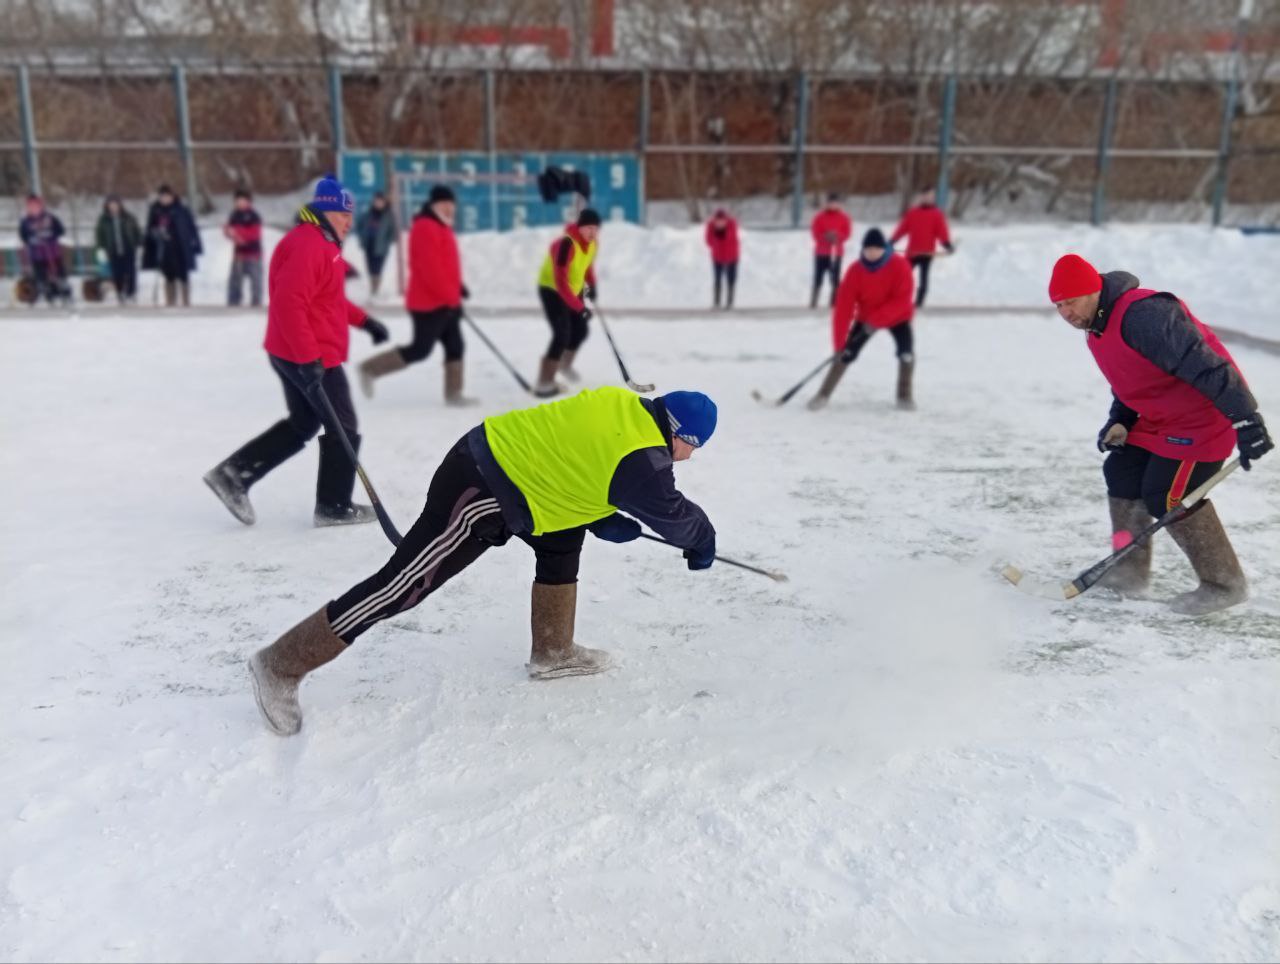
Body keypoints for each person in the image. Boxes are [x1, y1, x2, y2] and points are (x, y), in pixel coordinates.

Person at [247, 386, 719, 735]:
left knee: (561, 542)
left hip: (506, 465)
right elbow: (673, 515)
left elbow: (575, 455)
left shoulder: (625, 405)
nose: (690, 459)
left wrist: (597, 514)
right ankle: (280, 664)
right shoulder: (645, 461)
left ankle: (553, 652)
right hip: (484, 485)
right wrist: (701, 539)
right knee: (402, 585)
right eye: (692, 448)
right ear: (680, 433)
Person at [1048, 254, 1273, 614]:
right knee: (1121, 473)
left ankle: (1224, 583)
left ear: (1093, 290)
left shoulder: (1144, 314)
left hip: (1204, 418)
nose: (1065, 313)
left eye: (1070, 302)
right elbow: (1127, 382)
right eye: (1058, 305)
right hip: (1161, 421)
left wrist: (1246, 419)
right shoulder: (1096, 328)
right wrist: (1119, 420)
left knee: (1169, 494)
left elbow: (1206, 364)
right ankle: (1128, 571)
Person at [202, 175, 392, 528]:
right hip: (309, 355)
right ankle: (334, 506)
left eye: (351, 215)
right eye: (342, 214)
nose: (349, 221)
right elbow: (290, 304)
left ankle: (233, 476)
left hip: (294, 351)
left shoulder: (320, 243)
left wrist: (365, 321)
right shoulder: (311, 246)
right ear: (324, 211)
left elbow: (328, 301)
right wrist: (309, 359)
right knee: (343, 426)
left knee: (304, 422)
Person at [359, 185, 474, 406]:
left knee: (455, 345)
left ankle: (454, 395)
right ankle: (369, 369)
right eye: (444, 205)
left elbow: (445, 265)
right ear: (433, 205)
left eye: (452, 205)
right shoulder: (425, 227)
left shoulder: (442, 227)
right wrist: (452, 299)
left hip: (445, 300)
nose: (449, 209)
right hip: (428, 304)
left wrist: (458, 287)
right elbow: (430, 270)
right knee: (420, 350)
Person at [808, 228, 916, 411]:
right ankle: (823, 395)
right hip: (866, 319)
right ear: (862, 250)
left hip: (898, 317)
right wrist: (839, 345)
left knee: (906, 353)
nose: (872, 253)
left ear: (884, 249)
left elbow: (902, 300)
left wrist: (877, 320)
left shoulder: (900, 266)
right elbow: (843, 309)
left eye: (876, 249)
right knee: (846, 354)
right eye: (868, 249)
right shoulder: (855, 271)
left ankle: (904, 396)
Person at [534, 208, 601, 397]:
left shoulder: (593, 243)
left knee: (581, 330)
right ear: (579, 227)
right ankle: (545, 382)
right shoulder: (565, 245)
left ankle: (564, 365)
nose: (592, 233)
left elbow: (587, 266)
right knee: (561, 334)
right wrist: (580, 308)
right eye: (588, 228)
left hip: (572, 290)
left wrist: (592, 285)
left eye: (596, 229)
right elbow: (560, 281)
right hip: (552, 290)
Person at [890, 187, 953, 307]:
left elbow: (942, 232)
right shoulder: (913, 213)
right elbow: (902, 229)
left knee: (923, 278)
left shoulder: (937, 215)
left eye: (931, 196)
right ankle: (899, 298)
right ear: (921, 197)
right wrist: (892, 241)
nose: (928, 198)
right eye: (926, 195)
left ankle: (919, 302)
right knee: (903, 277)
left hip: (927, 253)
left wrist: (947, 245)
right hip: (912, 252)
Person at [142, 184, 202, 306]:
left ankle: (186, 301)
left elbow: (191, 228)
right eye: (162, 196)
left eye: (167, 196)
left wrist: (196, 243)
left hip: (180, 247)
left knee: (183, 274)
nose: (165, 199)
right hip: (164, 249)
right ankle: (170, 301)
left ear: (172, 196)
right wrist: (156, 234)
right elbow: (150, 229)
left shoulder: (181, 209)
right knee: (169, 275)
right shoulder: (156, 210)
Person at [18, 194, 72, 305]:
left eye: (36, 206)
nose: (34, 209)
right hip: (36, 253)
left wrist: (51, 236)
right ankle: (48, 294)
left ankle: (65, 292)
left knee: (59, 272)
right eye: (31, 207)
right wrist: (31, 240)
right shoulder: (26, 222)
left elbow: (61, 230)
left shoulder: (50, 218)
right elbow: (23, 236)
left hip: (52, 251)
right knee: (41, 275)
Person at [94, 195, 142, 303]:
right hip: (113, 250)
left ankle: (131, 292)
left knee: (131, 272)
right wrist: (101, 249)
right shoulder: (104, 220)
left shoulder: (128, 217)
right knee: (117, 273)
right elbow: (100, 235)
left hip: (128, 248)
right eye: (111, 205)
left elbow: (136, 231)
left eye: (115, 204)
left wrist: (139, 243)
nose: (113, 207)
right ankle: (120, 292)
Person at [809, 193, 852, 308]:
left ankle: (834, 302)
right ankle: (814, 300)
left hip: (836, 252)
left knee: (835, 277)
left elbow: (847, 233)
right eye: (830, 203)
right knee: (818, 276)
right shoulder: (819, 217)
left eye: (835, 203)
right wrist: (825, 237)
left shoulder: (844, 217)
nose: (833, 205)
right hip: (822, 252)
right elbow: (815, 232)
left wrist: (838, 236)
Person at [224, 189, 264, 307]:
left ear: (248, 201)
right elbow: (228, 230)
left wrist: (238, 233)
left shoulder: (253, 215)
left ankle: (256, 303)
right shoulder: (234, 215)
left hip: (253, 254)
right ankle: (233, 303)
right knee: (235, 280)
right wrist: (228, 232)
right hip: (238, 254)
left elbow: (255, 234)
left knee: (256, 281)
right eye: (238, 201)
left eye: (243, 200)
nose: (240, 203)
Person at [355, 192, 396, 297]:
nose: (378, 203)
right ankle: (372, 286)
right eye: (376, 201)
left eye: (380, 201)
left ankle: (375, 288)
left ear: (384, 202)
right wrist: (362, 236)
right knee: (370, 266)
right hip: (369, 244)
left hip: (381, 246)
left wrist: (388, 241)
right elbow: (359, 225)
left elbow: (392, 231)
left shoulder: (388, 215)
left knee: (378, 267)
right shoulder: (368, 214)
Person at [704, 208, 740, 309]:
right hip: (717, 257)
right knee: (717, 279)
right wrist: (715, 236)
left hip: (732, 256)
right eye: (717, 221)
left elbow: (730, 237)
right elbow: (708, 241)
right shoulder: (711, 225)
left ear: (726, 220)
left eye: (722, 221)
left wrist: (721, 233)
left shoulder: (732, 224)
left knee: (731, 279)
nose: (720, 223)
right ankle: (716, 302)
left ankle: (730, 302)